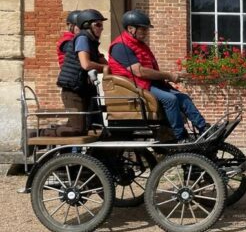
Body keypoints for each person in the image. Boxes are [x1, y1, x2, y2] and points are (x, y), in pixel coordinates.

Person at [108, 9, 207, 142]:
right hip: (135, 86)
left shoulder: (139, 44)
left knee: (183, 98)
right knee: (170, 99)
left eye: (146, 29)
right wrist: (168, 75)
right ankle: (181, 136)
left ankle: (204, 128)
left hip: (148, 83)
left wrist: (167, 77)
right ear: (131, 29)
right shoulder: (120, 47)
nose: (145, 32)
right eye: (142, 29)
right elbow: (139, 71)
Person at [55, 9, 109, 135]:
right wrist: (105, 68)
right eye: (98, 25)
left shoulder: (91, 41)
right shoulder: (83, 38)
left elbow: (103, 62)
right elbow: (86, 64)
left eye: (102, 25)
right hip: (73, 90)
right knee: (78, 129)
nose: (101, 28)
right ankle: (40, 134)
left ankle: (68, 153)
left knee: (88, 125)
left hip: (83, 89)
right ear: (87, 25)